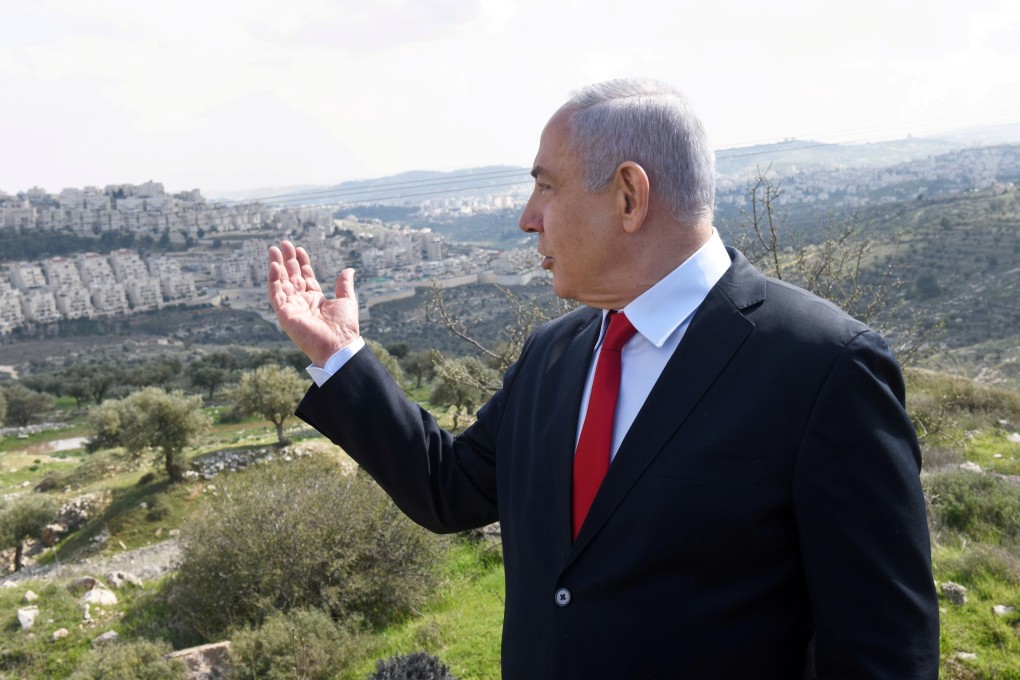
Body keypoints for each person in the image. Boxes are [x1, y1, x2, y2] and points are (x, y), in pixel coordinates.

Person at [268, 78, 939, 679]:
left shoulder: (823, 366)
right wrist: (341, 357)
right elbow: (451, 488)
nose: (528, 216)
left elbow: (884, 654)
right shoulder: (553, 354)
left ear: (628, 195)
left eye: (546, 186)